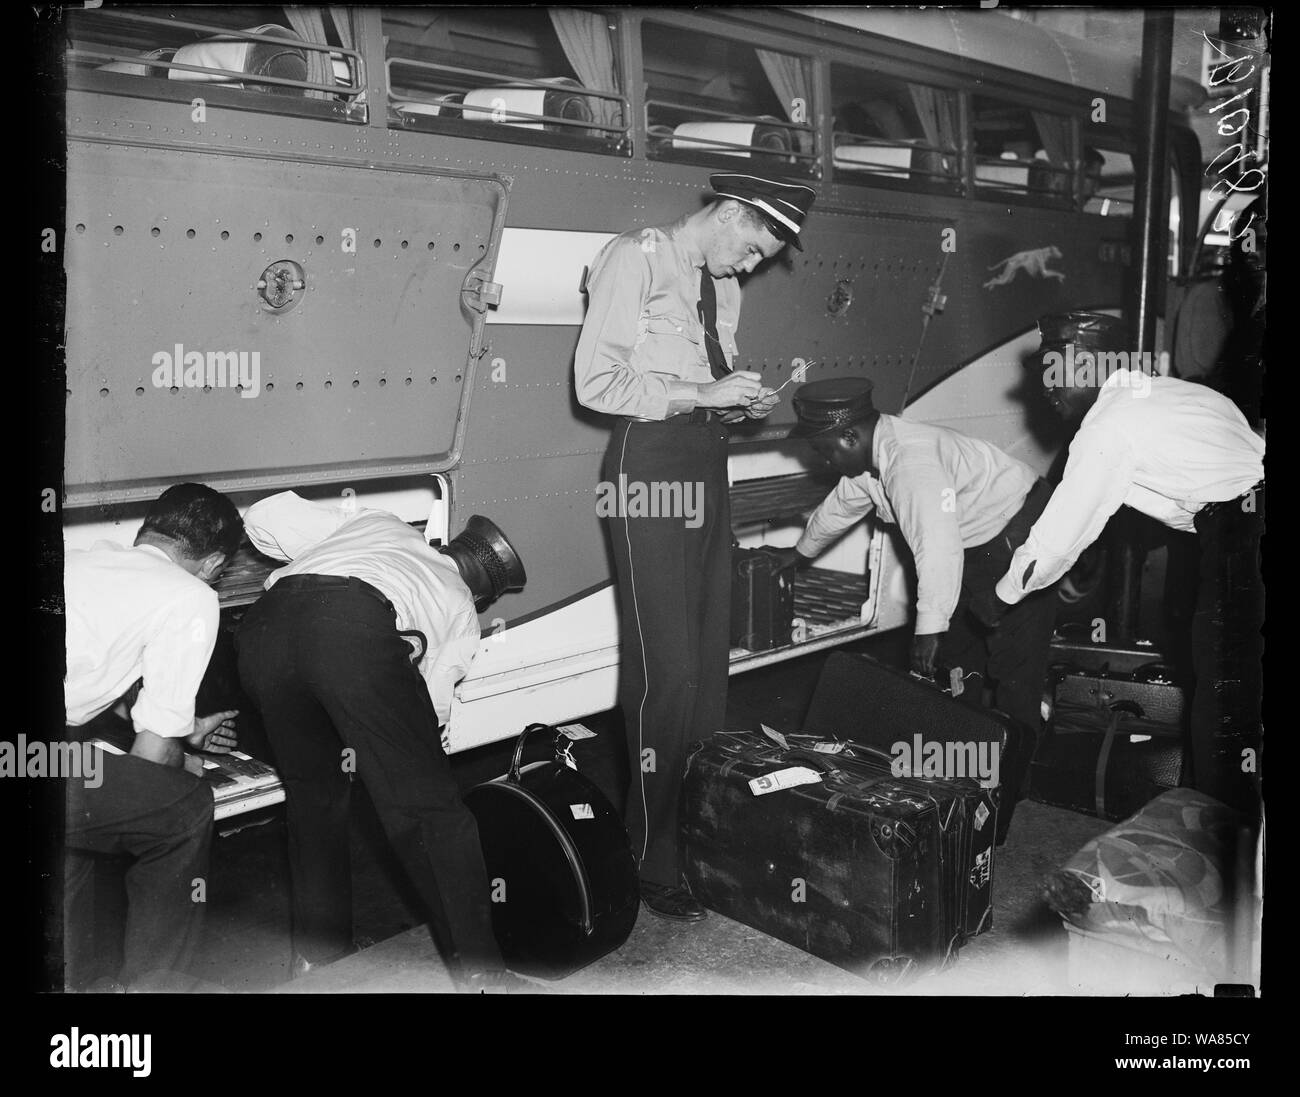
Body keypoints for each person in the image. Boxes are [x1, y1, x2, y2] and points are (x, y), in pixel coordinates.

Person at [574, 172, 816, 921]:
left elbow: (709, 383)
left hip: (707, 463)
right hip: (646, 466)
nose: (749, 266)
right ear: (732, 211)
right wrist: (701, 396)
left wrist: (741, 400)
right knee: (666, 668)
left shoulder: (722, 288)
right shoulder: (635, 259)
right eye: (752, 246)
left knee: (710, 664)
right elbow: (596, 382)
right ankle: (649, 856)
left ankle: (695, 839)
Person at [235, 491, 527, 991]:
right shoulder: (458, 605)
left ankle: (316, 960)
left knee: (315, 804)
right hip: (352, 628)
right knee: (432, 815)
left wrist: (316, 557)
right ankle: (483, 975)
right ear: (483, 593)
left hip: (262, 630)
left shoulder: (381, 524)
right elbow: (431, 709)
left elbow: (263, 516)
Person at [982, 311, 1265, 816]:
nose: (1044, 387)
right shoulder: (1178, 394)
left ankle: (1215, 859)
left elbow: (1057, 540)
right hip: (1242, 528)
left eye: (1053, 368)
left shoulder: (1109, 423)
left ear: (1089, 363)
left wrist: (999, 598)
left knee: (1221, 710)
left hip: (1242, 546)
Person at [777, 378, 1059, 840]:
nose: (826, 462)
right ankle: (966, 781)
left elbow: (938, 546)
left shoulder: (910, 465)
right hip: (976, 544)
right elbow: (844, 504)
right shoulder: (871, 458)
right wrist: (800, 553)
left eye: (826, 451)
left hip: (1021, 538)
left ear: (850, 436)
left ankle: (1008, 796)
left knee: (1014, 671)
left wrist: (929, 628)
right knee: (959, 668)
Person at [63, 482, 244, 991]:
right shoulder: (191, 596)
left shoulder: (79, 560)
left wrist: (184, 730)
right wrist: (183, 762)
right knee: (183, 809)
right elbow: (151, 755)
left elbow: (92, 686)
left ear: (146, 532)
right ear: (212, 565)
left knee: (76, 829)